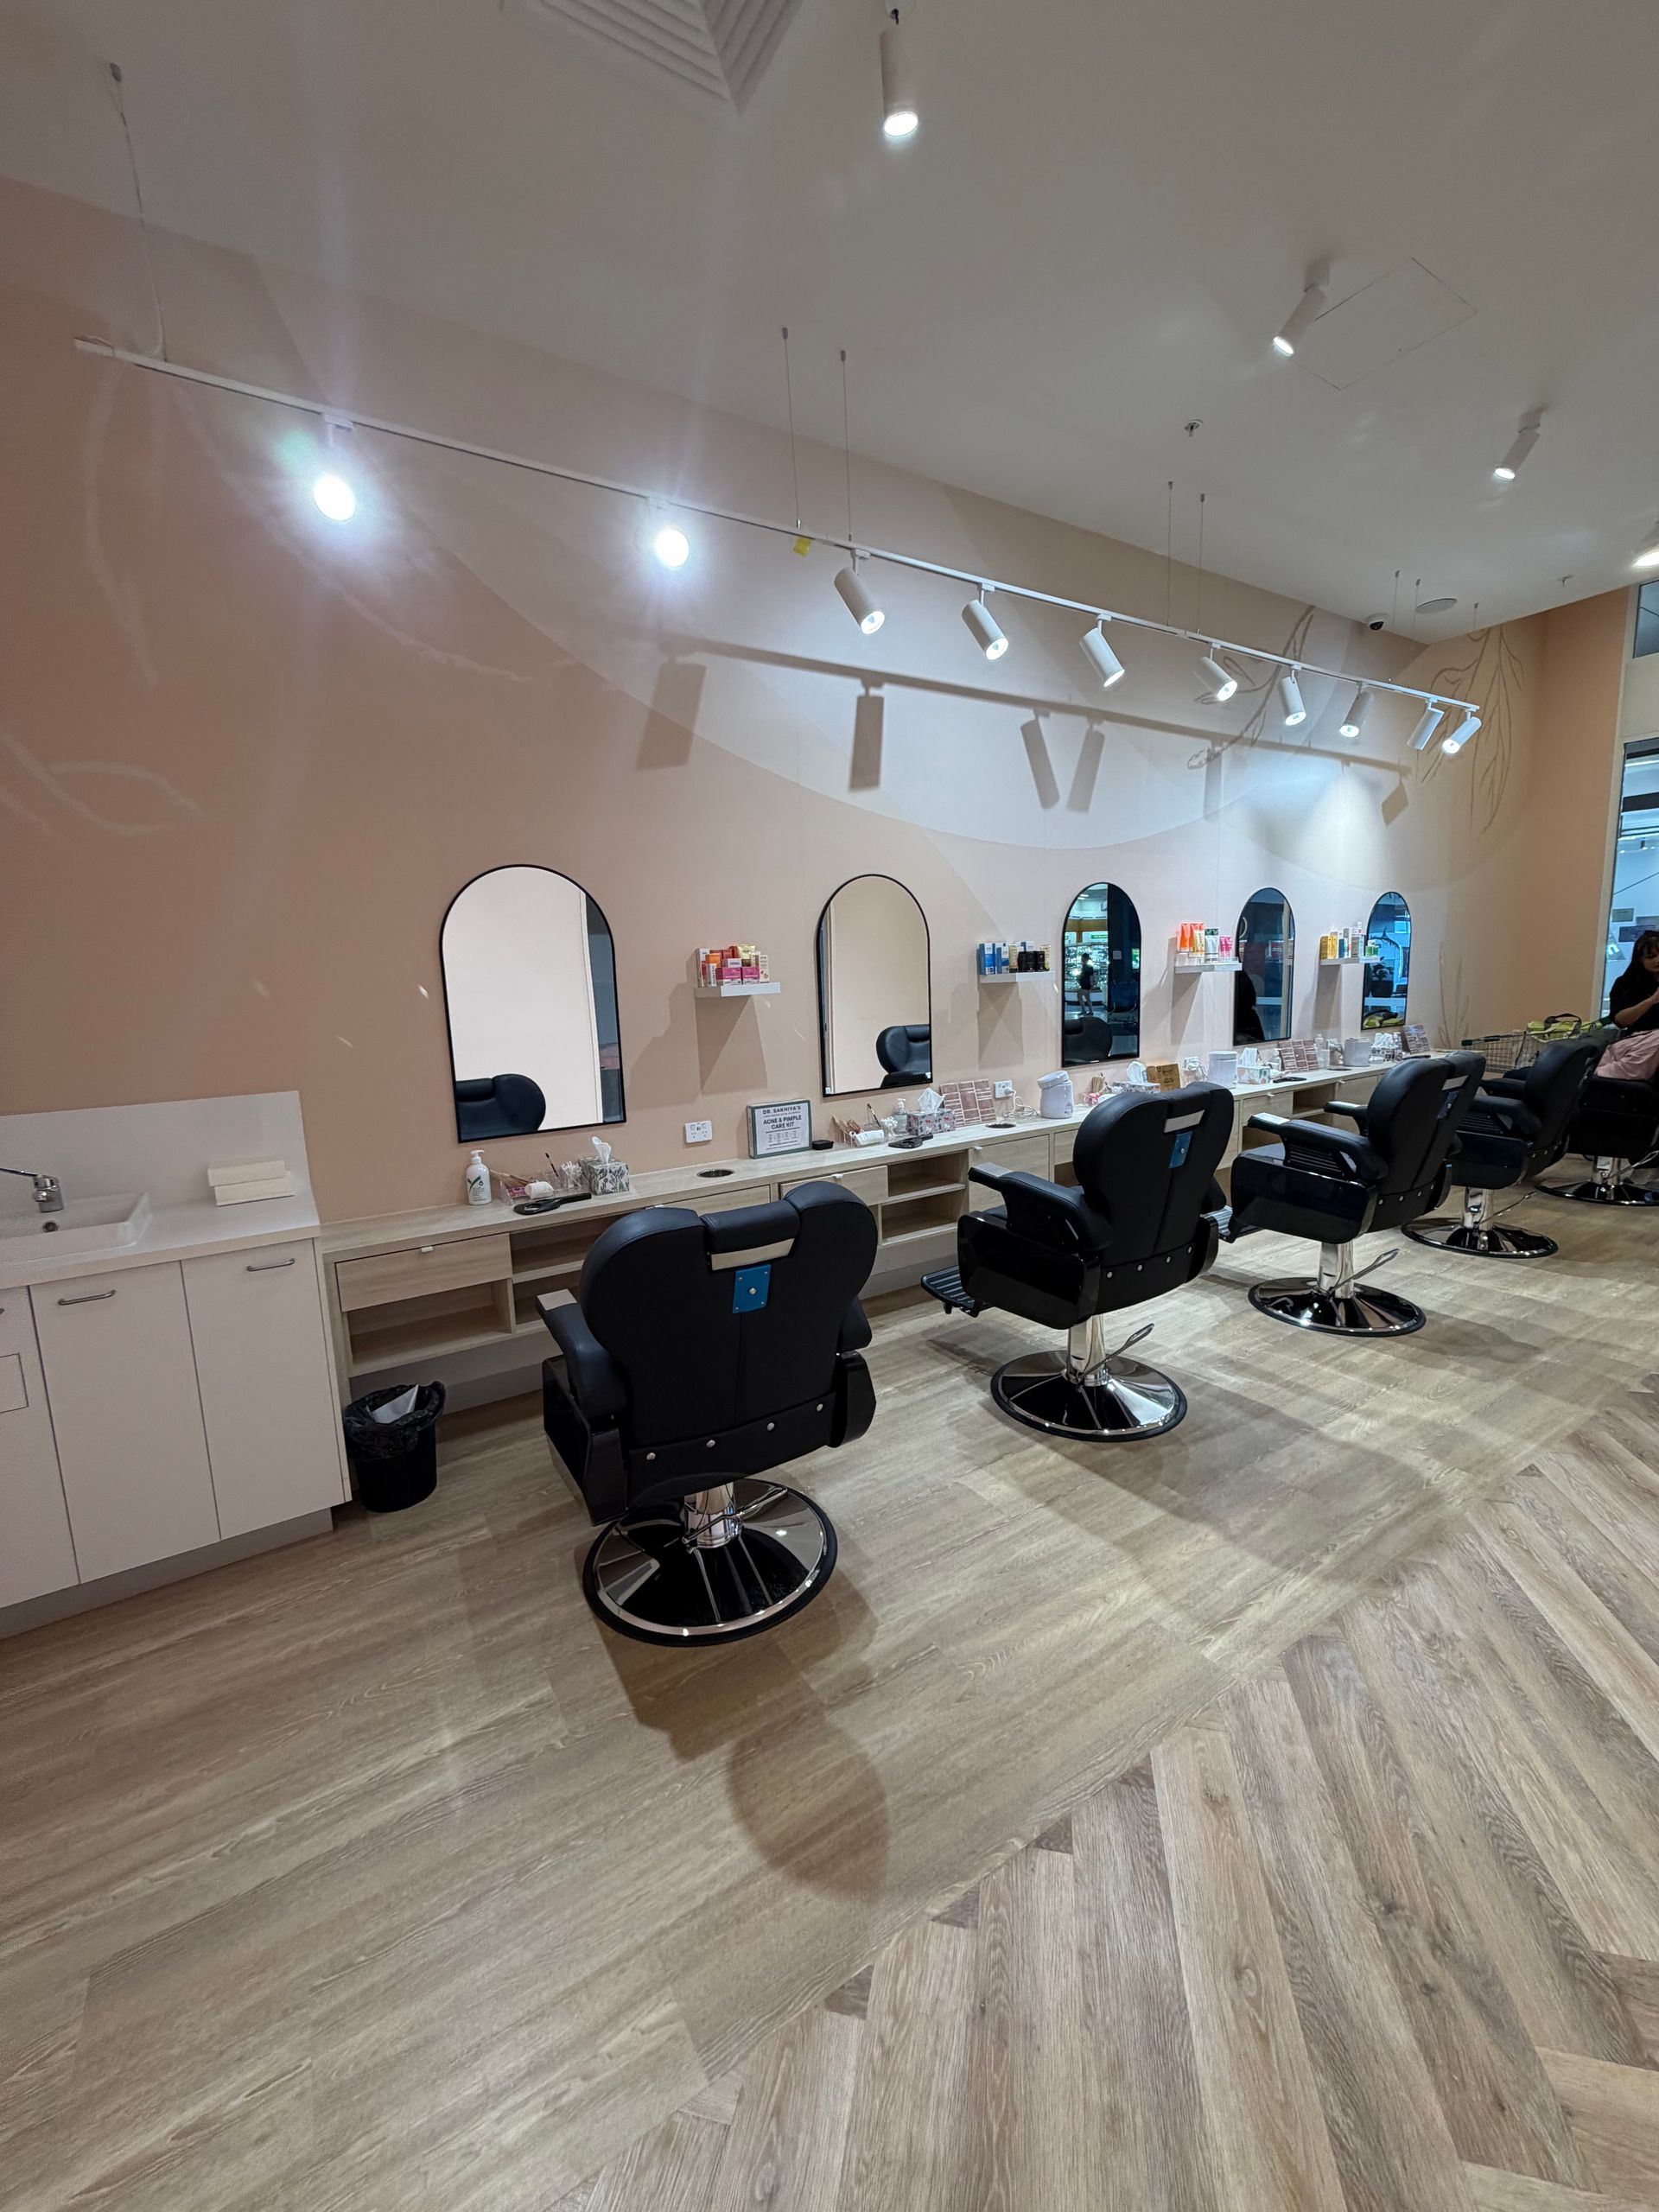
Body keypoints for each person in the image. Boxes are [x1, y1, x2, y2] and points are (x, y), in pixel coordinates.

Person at [1609, 931, 1659, 1032]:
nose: (1658, 960)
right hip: (1641, 1037)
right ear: (1640, 959)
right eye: (1651, 956)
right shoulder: (1625, 983)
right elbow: (1620, 1021)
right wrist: (1652, 1000)